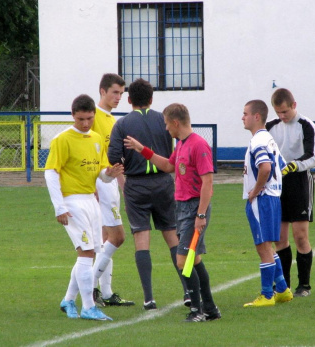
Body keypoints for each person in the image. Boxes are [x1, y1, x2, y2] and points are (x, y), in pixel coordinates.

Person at [123, 103, 221, 322]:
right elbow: (168, 166)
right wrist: (142, 149)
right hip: (182, 208)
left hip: (195, 208)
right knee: (193, 260)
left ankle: (197, 310)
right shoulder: (182, 144)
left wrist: (201, 215)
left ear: (176, 122)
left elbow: (208, 183)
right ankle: (211, 309)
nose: (166, 129)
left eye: (167, 124)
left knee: (182, 260)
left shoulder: (198, 145)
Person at [108, 78, 188, 310]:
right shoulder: (162, 119)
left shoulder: (121, 124)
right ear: (151, 99)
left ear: (129, 99)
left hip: (136, 185)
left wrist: (123, 162)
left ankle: (149, 298)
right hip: (163, 183)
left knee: (142, 240)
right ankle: (188, 291)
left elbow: (114, 158)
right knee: (173, 237)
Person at [44, 94, 124, 321]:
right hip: (72, 202)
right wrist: (59, 207)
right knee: (86, 253)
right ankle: (88, 307)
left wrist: (109, 175)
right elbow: (51, 173)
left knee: (88, 253)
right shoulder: (62, 139)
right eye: (81, 119)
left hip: (91, 200)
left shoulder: (97, 139)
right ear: (73, 115)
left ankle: (69, 300)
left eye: (89, 118)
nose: (86, 123)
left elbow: (100, 173)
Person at [266, 88, 315, 297]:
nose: (282, 116)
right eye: (278, 112)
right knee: (280, 238)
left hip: (299, 182)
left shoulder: (306, 126)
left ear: (294, 105)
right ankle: (284, 285)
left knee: (300, 236)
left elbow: (312, 157)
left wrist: (293, 166)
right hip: (276, 183)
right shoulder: (270, 127)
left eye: (285, 112)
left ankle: (304, 285)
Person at [241, 99, 293, 307]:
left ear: (256, 116)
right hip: (273, 198)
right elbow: (281, 165)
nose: (242, 117)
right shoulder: (268, 138)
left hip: (262, 200)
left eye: (245, 113)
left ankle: (266, 295)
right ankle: (282, 289)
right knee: (269, 245)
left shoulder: (258, 141)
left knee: (262, 247)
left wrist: (256, 190)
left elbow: (266, 167)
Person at [90, 73, 135, 307]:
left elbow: (115, 160)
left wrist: (123, 186)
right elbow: (88, 153)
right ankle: (88, 286)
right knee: (117, 237)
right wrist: (92, 185)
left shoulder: (112, 120)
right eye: (114, 92)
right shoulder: (94, 117)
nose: (118, 97)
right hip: (99, 184)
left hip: (110, 183)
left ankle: (105, 293)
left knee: (105, 240)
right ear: (102, 91)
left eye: (121, 93)